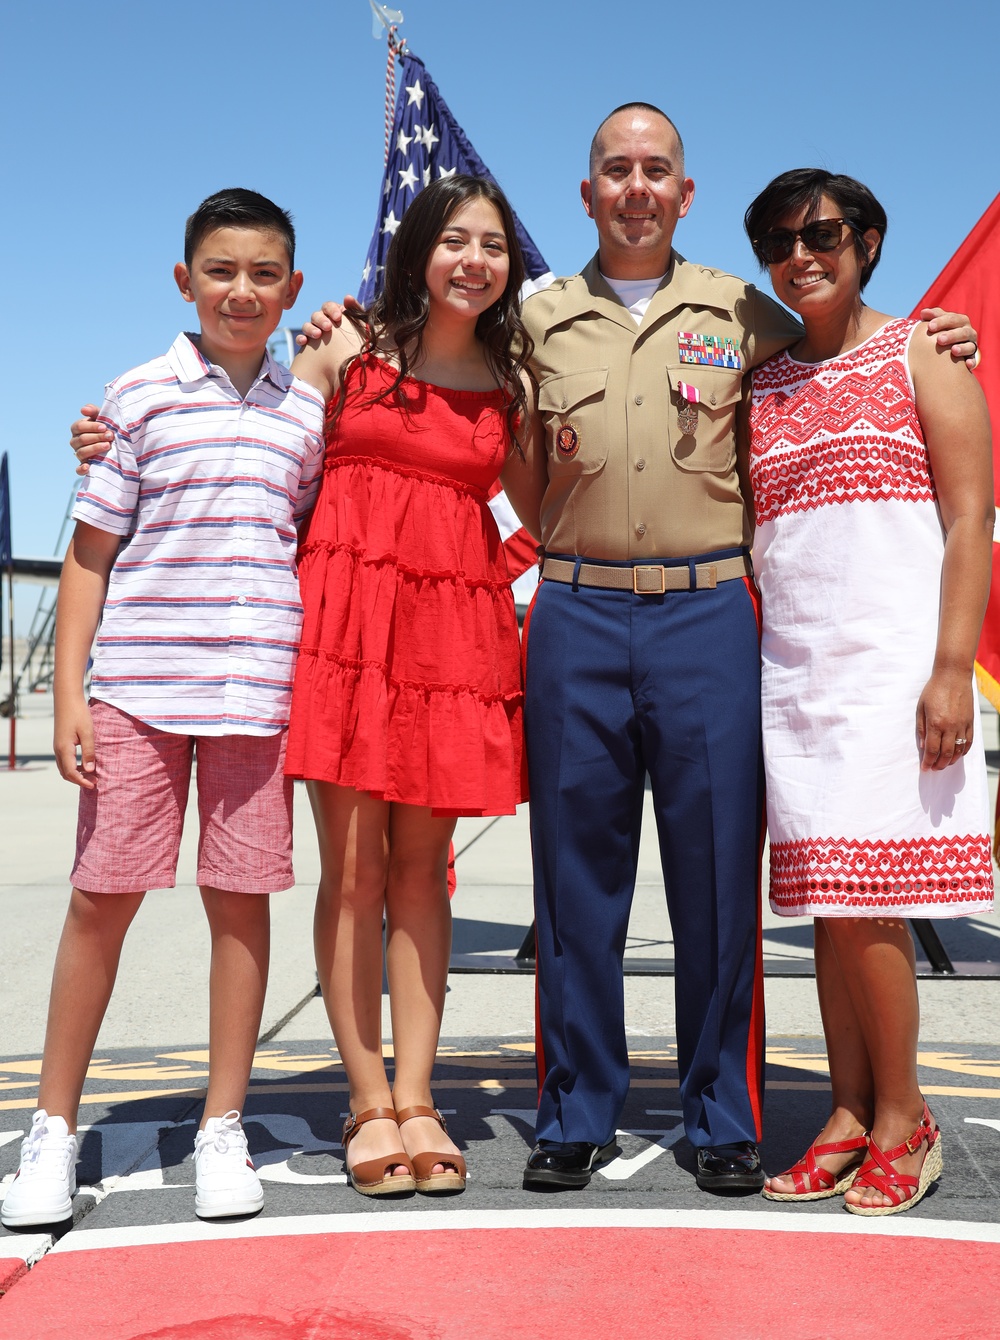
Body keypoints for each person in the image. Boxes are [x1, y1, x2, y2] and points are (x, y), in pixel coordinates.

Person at [299, 104, 978, 1194]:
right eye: (615, 169)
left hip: (709, 616)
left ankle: (719, 1114)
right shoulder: (530, 320)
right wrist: (332, 325)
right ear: (586, 194)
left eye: (655, 169)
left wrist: (944, 332)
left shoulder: (742, 311)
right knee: (575, 886)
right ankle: (576, 1108)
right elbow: (474, 427)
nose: (636, 187)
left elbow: (840, 336)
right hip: (574, 613)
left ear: (684, 192)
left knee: (716, 880)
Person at [1, 189, 325, 1230]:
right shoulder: (135, 399)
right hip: (139, 693)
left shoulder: (305, 411)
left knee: (242, 904)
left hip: (255, 697)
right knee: (103, 900)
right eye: (221, 271)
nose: (242, 291)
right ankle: (52, 1129)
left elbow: (309, 538)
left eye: (264, 274)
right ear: (184, 281)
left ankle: (222, 1126)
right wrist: (72, 698)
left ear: (292, 289)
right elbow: (89, 558)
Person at [279, 175, 540, 1196]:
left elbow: (548, 510)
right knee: (349, 871)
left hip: (447, 643)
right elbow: (263, 459)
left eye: (493, 246)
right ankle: (365, 1098)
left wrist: (480, 565)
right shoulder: (343, 347)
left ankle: (420, 1094)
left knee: (421, 875)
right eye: (455, 241)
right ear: (418, 248)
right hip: (344, 630)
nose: (474, 261)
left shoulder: (507, 378)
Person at [743, 169, 994, 1213]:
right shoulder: (757, 379)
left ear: (869, 239)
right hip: (790, 674)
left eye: (825, 233)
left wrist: (948, 669)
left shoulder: (924, 354)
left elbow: (968, 519)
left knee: (872, 906)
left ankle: (905, 1118)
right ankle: (848, 1111)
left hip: (893, 670)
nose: (803, 254)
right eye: (780, 241)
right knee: (825, 908)